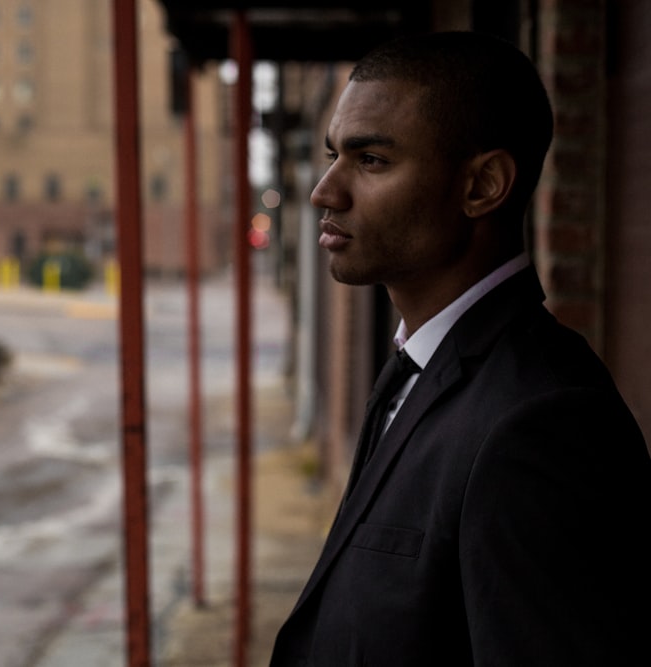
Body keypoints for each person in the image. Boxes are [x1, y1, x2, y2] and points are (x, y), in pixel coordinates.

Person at [270, 31, 651, 666]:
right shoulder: (416, 368)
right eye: (335, 154)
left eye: (371, 161)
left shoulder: (540, 425)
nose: (325, 192)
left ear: (483, 186)